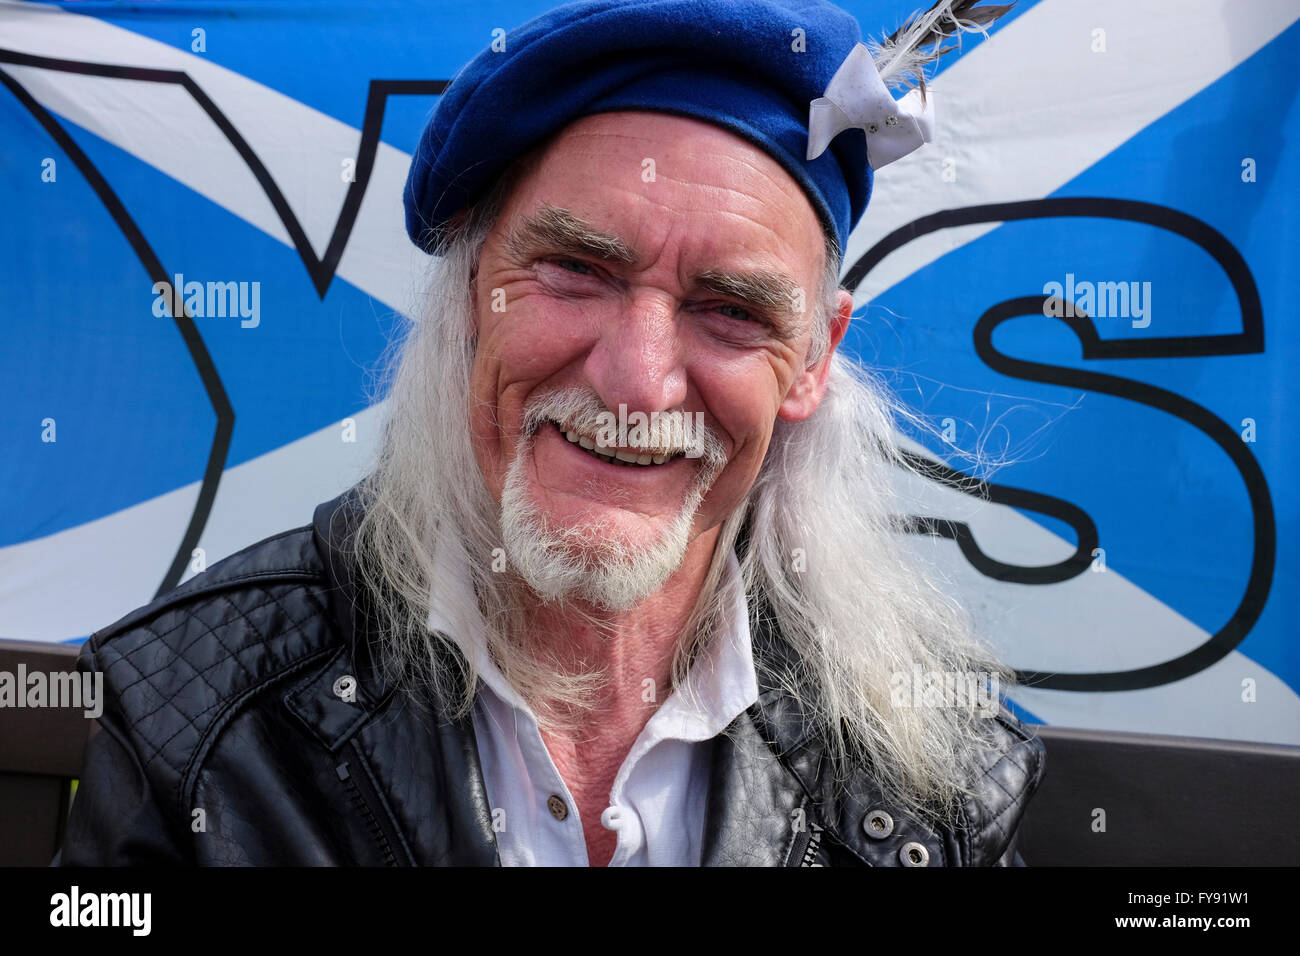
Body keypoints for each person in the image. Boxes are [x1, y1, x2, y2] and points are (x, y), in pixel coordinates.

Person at [55, 0, 1042, 867]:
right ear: (472, 295)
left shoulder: (930, 766)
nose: (636, 377)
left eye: (731, 309)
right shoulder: (198, 713)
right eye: (577, 269)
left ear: (814, 359)